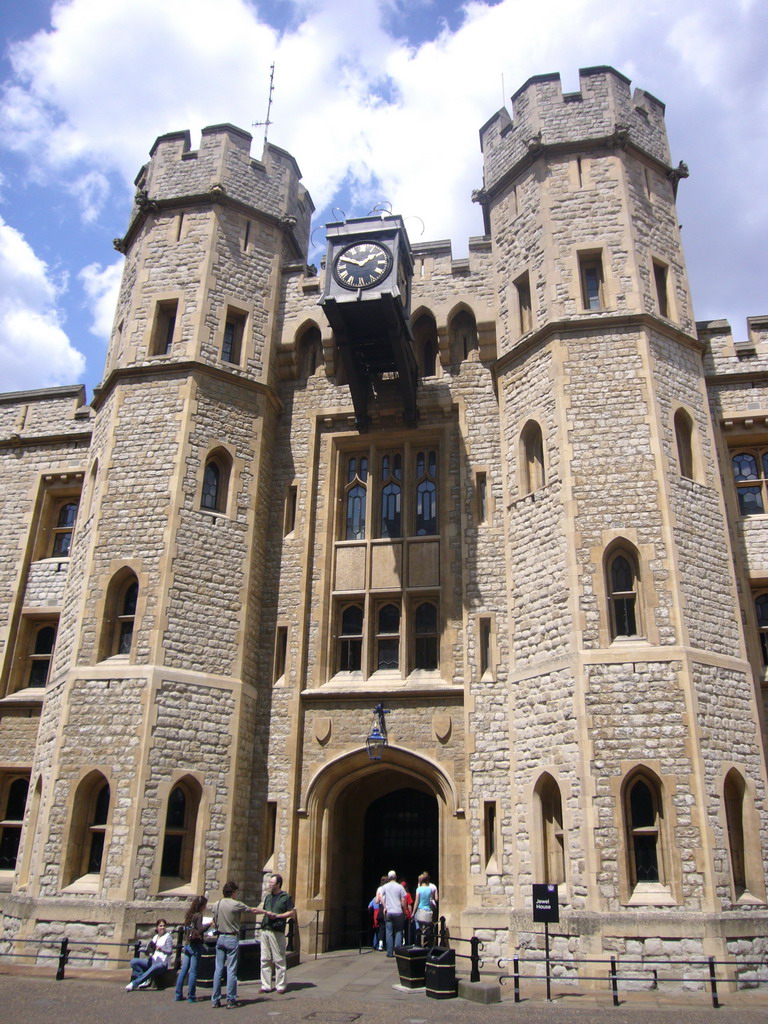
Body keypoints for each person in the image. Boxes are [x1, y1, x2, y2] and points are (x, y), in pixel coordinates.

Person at [210, 880, 258, 1009]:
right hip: (231, 938)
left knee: (218, 969)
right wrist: (265, 912)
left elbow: (214, 919)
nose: (237, 894)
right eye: (236, 892)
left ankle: (215, 999)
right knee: (231, 970)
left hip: (220, 938)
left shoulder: (217, 904)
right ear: (233, 892)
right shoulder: (235, 904)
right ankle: (230, 999)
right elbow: (251, 910)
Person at [257, 873, 296, 994]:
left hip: (277, 930)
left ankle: (280, 985)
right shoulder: (268, 897)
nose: (269, 885)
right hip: (266, 929)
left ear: (278, 884)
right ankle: (266, 985)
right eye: (269, 883)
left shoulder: (285, 897)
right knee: (265, 958)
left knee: (279, 959)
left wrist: (278, 916)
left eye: (272, 883)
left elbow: (291, 912)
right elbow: (265, 910)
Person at [175, 894, 208, 1002]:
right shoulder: (199, 915)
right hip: (195, 945)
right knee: (193, 971)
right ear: (201, 905)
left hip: (187, 944)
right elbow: (200, 930)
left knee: (184, 970)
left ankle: (178, 994)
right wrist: (209, 924)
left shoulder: (189, 914)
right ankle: (191, 996)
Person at [126, 918, 173, 991]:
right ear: (157, 927)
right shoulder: (155, 937)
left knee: (154, 967)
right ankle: (144, 980)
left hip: (162, 963)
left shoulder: (168, 937)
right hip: (152, 960)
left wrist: (162, 950)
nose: (162, 927)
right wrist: (149, 952)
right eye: (160, 926)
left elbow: (170, 951)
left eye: (164, 926)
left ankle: (134, 983)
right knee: (134, 962)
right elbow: (151, 949)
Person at [378, 870, 407, 958]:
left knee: (389, 932)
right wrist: (404, 910)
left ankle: (389, 952)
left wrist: (385, 906)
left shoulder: (385, 887)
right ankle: (398, 951)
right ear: (395, 877)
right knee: (399, 931)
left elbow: (380, 896)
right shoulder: (400, 887)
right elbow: (403, 900)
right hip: (398, 911)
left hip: (389, 911)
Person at [413, 873, 434, 946]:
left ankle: (418, 945)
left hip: (420, 910)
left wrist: (413, 912)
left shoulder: (418, 889)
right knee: (428, 930)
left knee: (418, 929)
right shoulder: (429, 889)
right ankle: (428, 945)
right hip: (428, 910)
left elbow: (417, 901)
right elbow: (431, 899)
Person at [399, 879, 413, 945]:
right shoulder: (408, 894)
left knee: (399, 930)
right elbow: (409, 906)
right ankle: (407, 943)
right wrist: (411, 914)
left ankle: (399, 943)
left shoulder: (398, 894)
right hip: (406, 914)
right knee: (407, 930)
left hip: (399, 913)